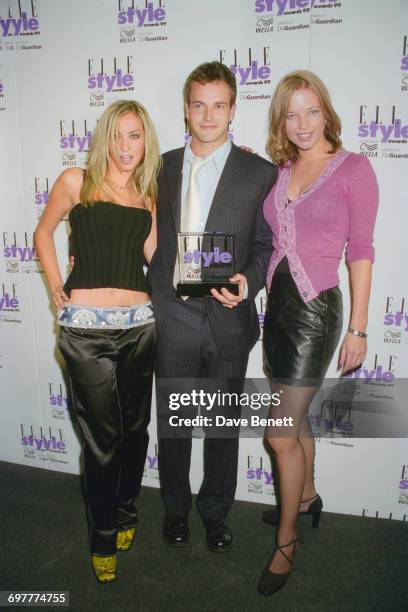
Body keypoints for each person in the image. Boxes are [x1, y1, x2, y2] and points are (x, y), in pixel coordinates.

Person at [257, 70, 379, 595]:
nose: (302, 123)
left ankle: (287, 542)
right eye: (291, 113)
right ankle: (305, 496)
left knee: (278, 431)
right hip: (278, 308)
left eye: (311, 111)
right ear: (281, 120)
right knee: (297, 416)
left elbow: (363, 250)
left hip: (316, 311)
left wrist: (359, 327)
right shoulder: (282, 169)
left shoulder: (353, 168)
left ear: (326, 112)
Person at [148, 61, 277, 552]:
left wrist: (250, 280)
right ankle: (176, 510)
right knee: (176, 428)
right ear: (186, 109)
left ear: (232, 109)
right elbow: (144, 233)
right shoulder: (160, 167)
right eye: (198, 104)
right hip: (174, 316)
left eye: (218, 105)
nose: (207, 115)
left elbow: (267, 247)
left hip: (228, 318)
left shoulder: (259, 173)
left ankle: (216, 514)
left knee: (222, 430)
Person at [35, 99, 161, 583]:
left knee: (135, 431)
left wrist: (208, 270)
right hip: (85, 331)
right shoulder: (77, 181)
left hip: (139, 328)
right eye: (118, 135)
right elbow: (44, 232)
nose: (126, 146)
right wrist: (53, 288)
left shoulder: (147, 197)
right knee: (102, 442)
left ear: (145, 141)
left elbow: (158, 260)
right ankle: (103, 535)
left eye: (136, 136)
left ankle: (127, 510)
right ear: (105, 137)